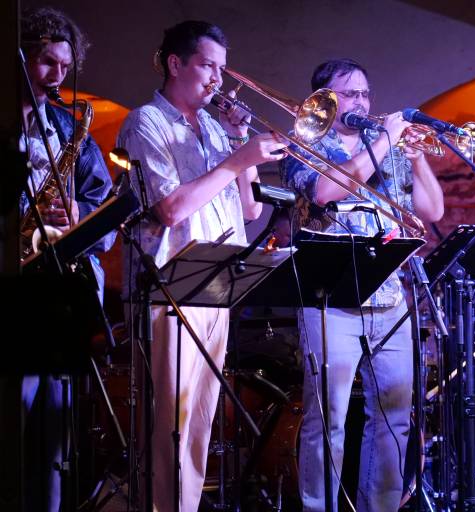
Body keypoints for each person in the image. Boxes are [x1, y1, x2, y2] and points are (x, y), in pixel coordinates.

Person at [117, 20, 286, 512]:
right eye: (208, 66)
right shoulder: (146, 122)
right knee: (169, 421)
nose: (217, 78)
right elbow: (170, 209)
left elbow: (249, 211)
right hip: (168, 288)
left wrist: (241, 147)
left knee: (199, 423)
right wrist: (235, 161)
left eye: (222, 68)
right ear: (176, 64)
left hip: (216, 283)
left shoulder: (214, 128)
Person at [280, 58, 444, 512]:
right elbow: (327, 192)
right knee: (327, 419)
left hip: (389, 297)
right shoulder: (303, 142)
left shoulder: (386, 146)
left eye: (366, 94)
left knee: (395, 417)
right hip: (328, 299)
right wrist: (387, 139)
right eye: (350, 93)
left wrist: (417, 160)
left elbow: (432, 211)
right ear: (324, 98)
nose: (362, 102)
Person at [19, 7, 115, 510]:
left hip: (57, 290)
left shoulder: (66, 123)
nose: (58, 75)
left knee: (55, 433)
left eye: (65, 65)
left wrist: (79, 213)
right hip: (14, 285)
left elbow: (102, 207)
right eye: (46, 63)